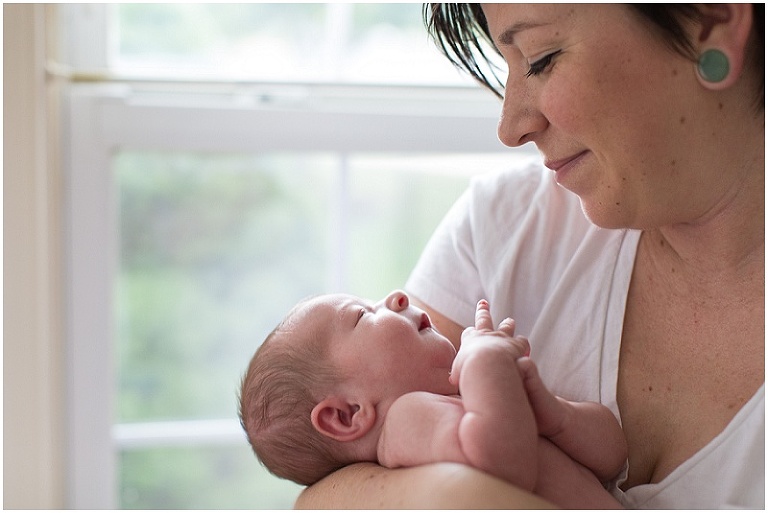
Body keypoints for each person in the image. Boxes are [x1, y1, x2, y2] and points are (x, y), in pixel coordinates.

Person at [296, 4, 764, 509]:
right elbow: (323, 499)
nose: (511, 126)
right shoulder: (505, 225)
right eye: (508, 67)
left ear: (710, 18)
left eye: (541, 59)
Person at [239, 290, 627, 508]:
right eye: (362, 315)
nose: (394, 297)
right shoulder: (407, 422)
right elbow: (506, 470)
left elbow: (612, 456)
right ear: (346, 414)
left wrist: (556, 415)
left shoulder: (472, 402)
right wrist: (483, 360)